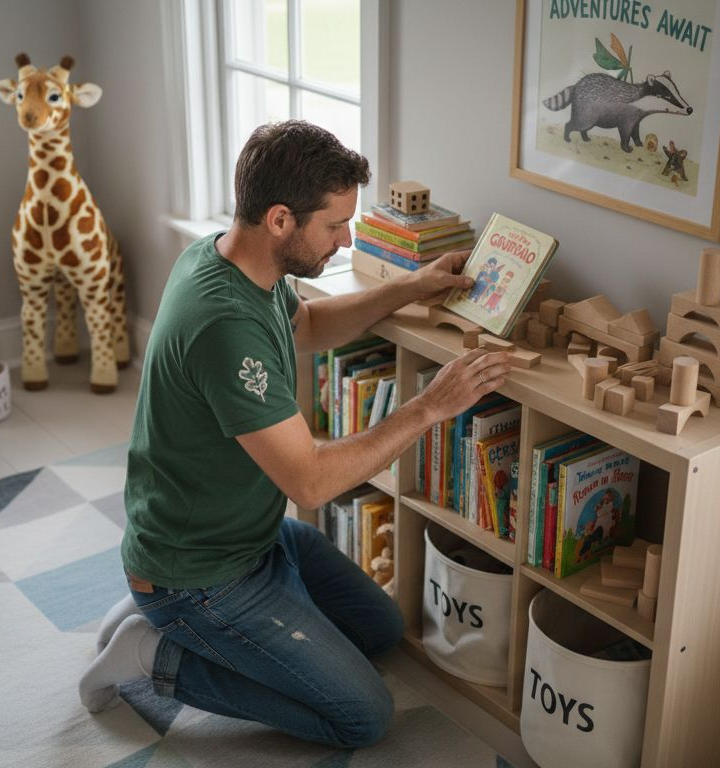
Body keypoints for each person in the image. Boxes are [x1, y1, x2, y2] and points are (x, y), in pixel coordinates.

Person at [78, 120, 512, 748]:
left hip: (252, 535)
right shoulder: (223, 324)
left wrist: (409, 288)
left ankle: (157, 616)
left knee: (380, 629)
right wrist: (427, 409)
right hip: (200, 575)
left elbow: (306, 326)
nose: (346, 239)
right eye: (335, 225)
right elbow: (309, 481)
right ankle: (154, 653)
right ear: (280, 219)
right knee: (362, 716)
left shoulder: (227, 257)